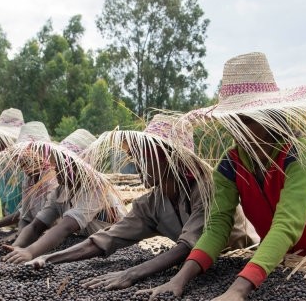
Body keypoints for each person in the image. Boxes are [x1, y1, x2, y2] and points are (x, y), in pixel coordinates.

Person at [137, 51, 306, 301]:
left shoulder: (301, 156)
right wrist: (178, 280)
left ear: (270, 116)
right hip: (278, 264)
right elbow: (218, 224)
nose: (238, 130)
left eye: (246, 120)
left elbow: (286, 225)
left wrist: (238, 289)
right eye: (231, 121)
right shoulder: (230, 164)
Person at [25, 114, 257, 289]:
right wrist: (48, 258)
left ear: (171, 158)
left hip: (236, 261)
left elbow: (188, 247)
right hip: (197, 268)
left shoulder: (207, 190)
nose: (137, 164)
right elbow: (107, 239)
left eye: (144, 157)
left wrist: (131, 274)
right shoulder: (152, 203)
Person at [0, 129, 125, 264]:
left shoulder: (96, 190)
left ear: (76, 168)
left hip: (114, 246)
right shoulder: (60, 191)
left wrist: (30, 252)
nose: (55, 169)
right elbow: (36, 226)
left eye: (61, 164)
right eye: (56, 163)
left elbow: (66, 227)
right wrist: (17, 247)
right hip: (85, 242)